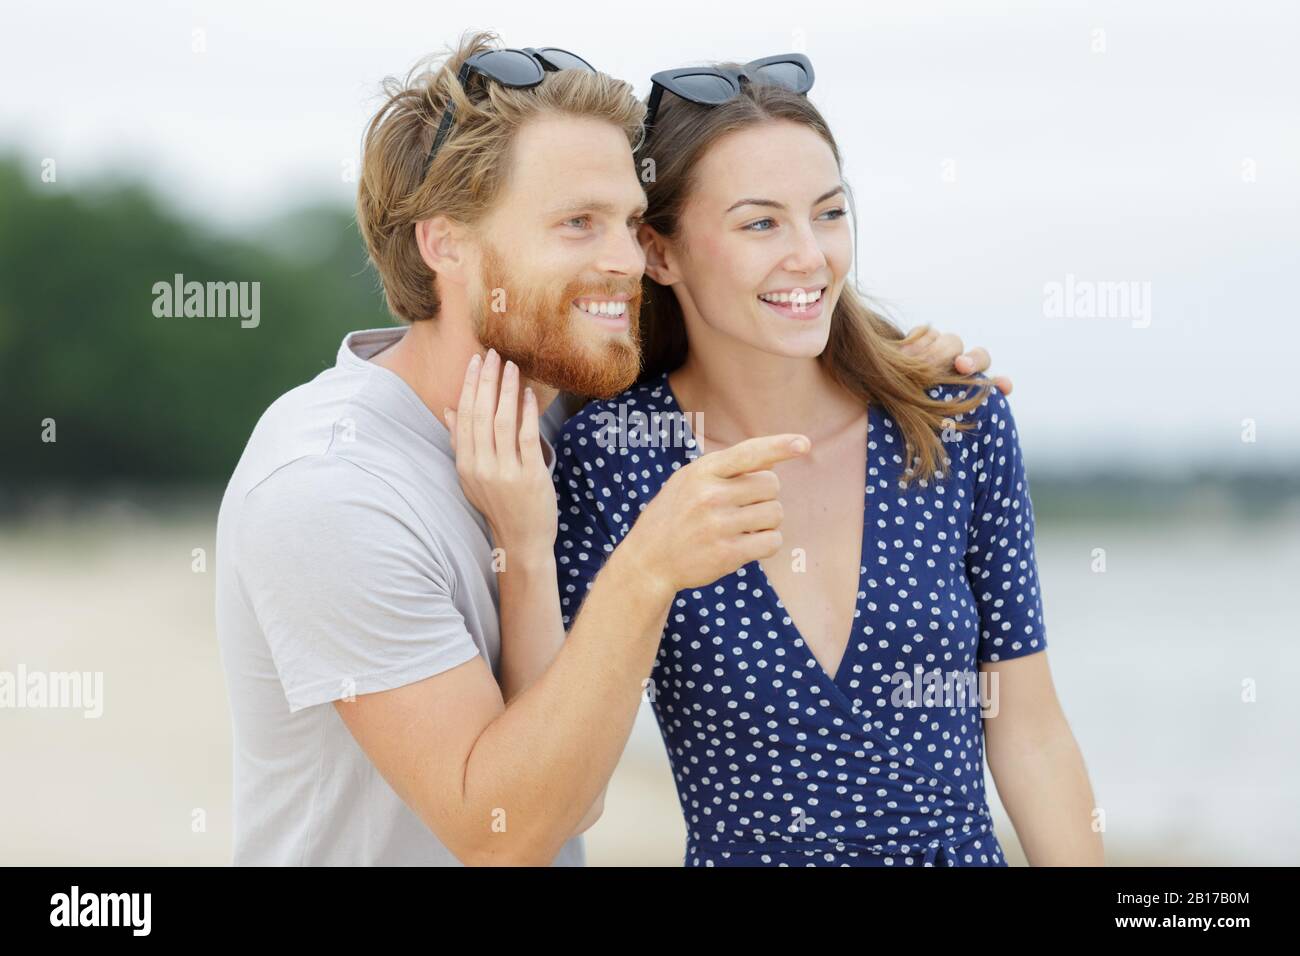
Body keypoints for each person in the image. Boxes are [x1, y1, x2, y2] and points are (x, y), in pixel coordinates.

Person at [214, 31, 1006, 866]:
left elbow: (578, 791)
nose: (626, 260)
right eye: (577, 223)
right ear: (443, 243)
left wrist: (899, 371)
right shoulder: (330, 491)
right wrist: (644, 568)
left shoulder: (562, 416)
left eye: (630, 222)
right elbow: (509, 833)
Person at [550, 53, 1103, 866]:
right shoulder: (611, 458)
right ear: (659, 253)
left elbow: (1031, 734)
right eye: (760, 223)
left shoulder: (952, 421)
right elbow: (565, 768)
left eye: (830, 213)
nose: (810, 256)